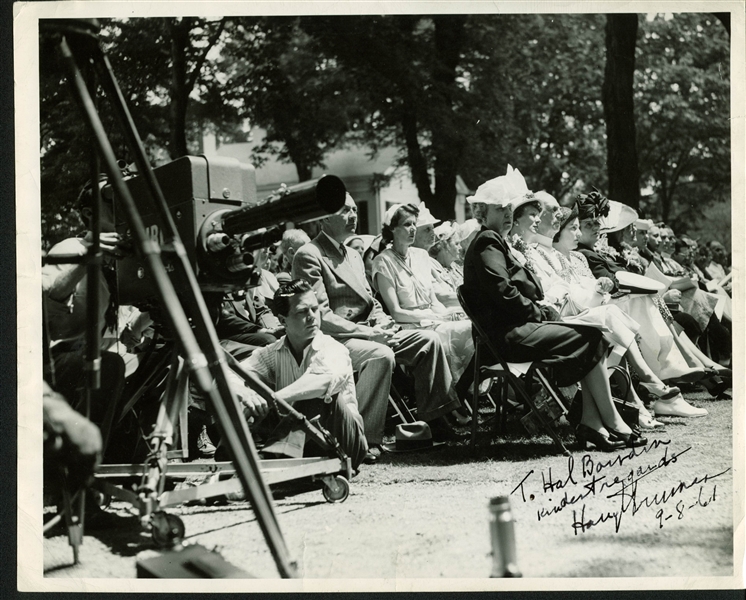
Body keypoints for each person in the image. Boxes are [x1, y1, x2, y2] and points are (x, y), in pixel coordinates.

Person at [461, 166, 643, 451]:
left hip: (517, 330)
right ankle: (607, 421)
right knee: (591, 335)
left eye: (511, 207)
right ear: (484, 213)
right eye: (502, 209)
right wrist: (540, 313)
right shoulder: (487, 242)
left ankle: (593, 423)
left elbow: (521, 289)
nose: (509, 213)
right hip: (507, 337)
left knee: (592, 334)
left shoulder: (498, 243)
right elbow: (504, 293)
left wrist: (536, 308)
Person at [292, 193, 462, 455]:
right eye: (345, 211)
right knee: (380, 355)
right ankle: (363, 439)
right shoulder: (309, 254)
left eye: (354, 210)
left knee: (428, 339)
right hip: (335, 340)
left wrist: (386, 326)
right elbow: (321, 317)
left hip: (369, 332)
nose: (353, 216)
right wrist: (372, 334)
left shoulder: (352, 254)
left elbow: (372, 303)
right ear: (325, 217)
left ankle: (435, 420)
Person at [544, 206, 706, 420]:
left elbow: (597, 286)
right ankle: (656, 383)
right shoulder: (553, 256)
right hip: (577, 314)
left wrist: (602, 290)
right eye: (575, 228)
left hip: (597, 307)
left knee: (643, 303)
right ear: (557, 231)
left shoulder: (578, 257)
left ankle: (661, 381)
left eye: (580, 227)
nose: (579, 233)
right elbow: (565, 295)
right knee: (633, 308)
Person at [234, 280, 368, 470]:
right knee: (244, 397)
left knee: (315, 394)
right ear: (282, 320)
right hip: (305, 442)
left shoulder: (332, 348)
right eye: (303, 311)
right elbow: (229, 376)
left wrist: (274, 398)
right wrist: (245, 393)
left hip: (344, 444)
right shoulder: (272, 353)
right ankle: (231, 464)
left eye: (314, 309)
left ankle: (270, 463)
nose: (312, 317)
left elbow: (323, 380)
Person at [42, 176, 126, 425]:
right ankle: (87, 460)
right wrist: (88, 257)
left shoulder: (124, 261)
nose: (122, 211)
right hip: (55, 362)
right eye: (113, 204)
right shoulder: (71, 247)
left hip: (92, 357)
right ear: (90, 214)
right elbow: (48, 296)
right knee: (109, 365)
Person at [371, 204, 474, 402]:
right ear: (392, 229)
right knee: (459, 332)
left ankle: (460, 393)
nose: (412, 229)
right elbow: (396, 312)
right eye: (406, 224)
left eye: (414, 224)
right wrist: (433, 316)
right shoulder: (382, 261)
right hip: (409, 326)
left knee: (471, 327)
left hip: (433, 320)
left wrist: (446, 313)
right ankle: (453, 399)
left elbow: (433, 301)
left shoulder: (421, 256)